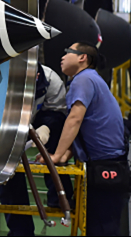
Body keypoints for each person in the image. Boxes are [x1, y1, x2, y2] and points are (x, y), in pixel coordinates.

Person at [38, 41, 128, 236]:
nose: (62, 57)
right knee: (100, 225)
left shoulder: (83, 79)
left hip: (106, 166)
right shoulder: (90, 79)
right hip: (106, 164)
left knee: (102, 228)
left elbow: (75, 120)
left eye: (67, 52)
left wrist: (57, 155)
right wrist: (65, 155)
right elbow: (86, 128)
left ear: (82, 57)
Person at [0, 63, 73, 236]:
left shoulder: (51, 80)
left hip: (37, 121)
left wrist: (47, 127)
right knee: (8, 172)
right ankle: (20, 230)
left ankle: (60, 197)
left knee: (58, 133)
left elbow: (56, 111)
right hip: (4, 125)